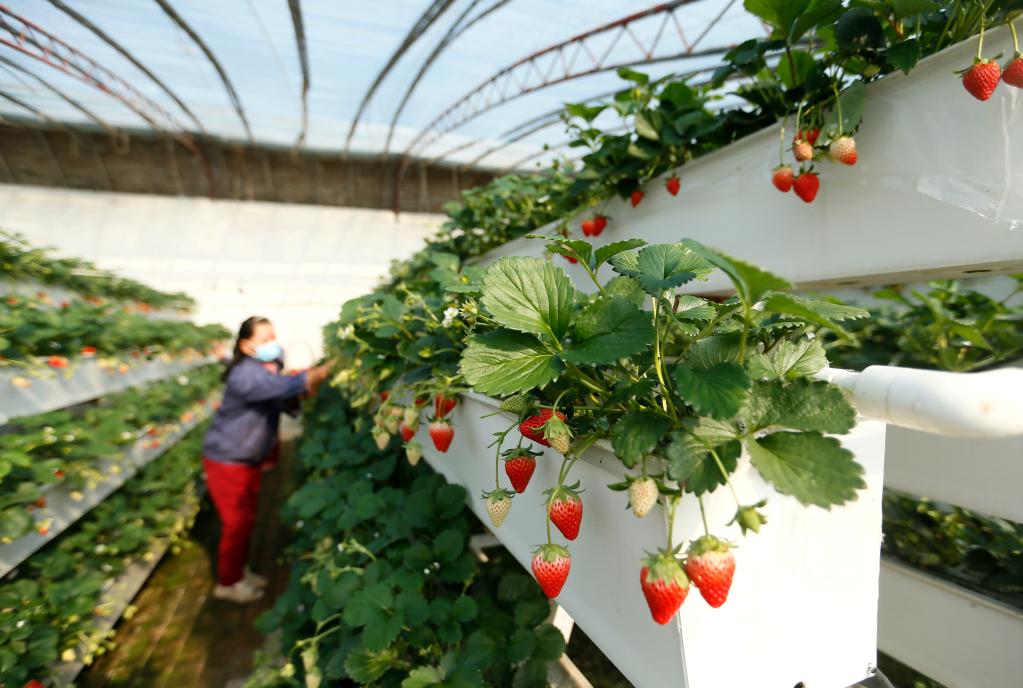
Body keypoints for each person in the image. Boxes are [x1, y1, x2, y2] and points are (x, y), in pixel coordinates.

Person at [202, 316, 331, 603]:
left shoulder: (263, 370)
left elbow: (284, 397)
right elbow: (283, 387)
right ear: (246, 346)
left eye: (273, 337)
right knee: (236, 523)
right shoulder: (245, 375)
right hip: (227, 459)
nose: (273, 344)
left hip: (247, 457)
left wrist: (301, 390)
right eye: (264, 340)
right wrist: (321, 372)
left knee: (246, 520)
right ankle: (227, 582)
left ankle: (238, 572)